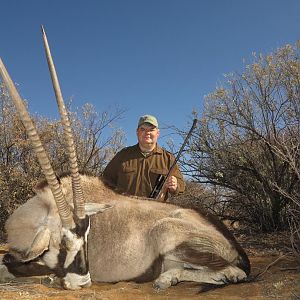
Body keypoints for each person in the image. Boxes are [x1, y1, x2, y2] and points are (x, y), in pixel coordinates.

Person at [103, 114, 185, 200]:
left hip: (156, 211)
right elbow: (105, 180)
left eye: (151, 129)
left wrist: (175, 186)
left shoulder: (168, 158)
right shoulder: (123, 155)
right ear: (137, 132)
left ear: (157, 133)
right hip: (125, 210)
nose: (147, 133)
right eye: (143, 129)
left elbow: (181, 186)